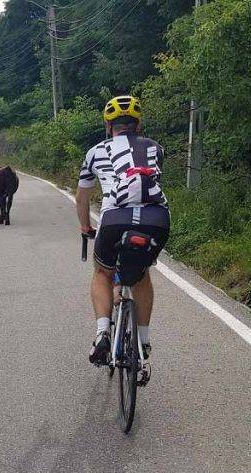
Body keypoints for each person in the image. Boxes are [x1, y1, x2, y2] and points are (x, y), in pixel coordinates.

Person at [75, 95, 171, 366]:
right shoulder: (156, 148)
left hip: (114, 218)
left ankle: (102, 333)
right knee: (141, 275)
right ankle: (144, 341)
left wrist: (85, 226)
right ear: (138, 125)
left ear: (108, 125)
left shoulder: (95, 152)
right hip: (157, 218)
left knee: (102, 273)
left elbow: (82, 198)